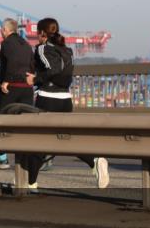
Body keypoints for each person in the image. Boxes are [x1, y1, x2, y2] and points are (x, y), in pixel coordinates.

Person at [27, 18, 110, 189]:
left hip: (48, 98)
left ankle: (31, 183)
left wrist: (35, 78)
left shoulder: (43, 48)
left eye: (37, 33)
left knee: (38, 141)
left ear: (42, 33)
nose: (36, 37)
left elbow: (53, 70)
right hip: (65, 99)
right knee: (64, 139)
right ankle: (94, 160)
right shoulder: (67, 50)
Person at [0, 18, 33, 168]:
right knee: (25, 123)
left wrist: (6, 80)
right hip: (26, 88)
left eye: (2, 31)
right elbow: (32, 64)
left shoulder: (7, 43)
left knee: (0, 118)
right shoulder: (26, 44)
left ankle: (2, 158)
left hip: (11, 87)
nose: (1, 33)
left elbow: (11, 62)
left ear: (5, 30)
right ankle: (25, 159)